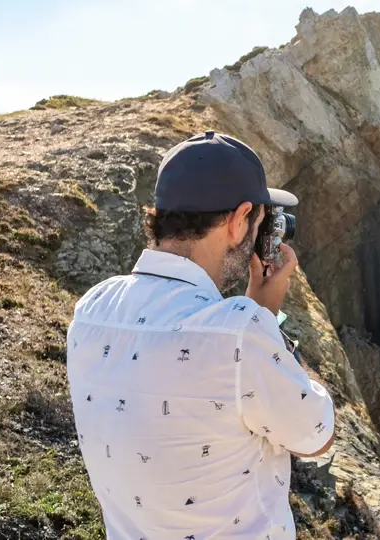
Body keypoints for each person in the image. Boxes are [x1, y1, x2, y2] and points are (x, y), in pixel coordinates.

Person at [66, 130, 335, 540]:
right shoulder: (239, 333)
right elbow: (316, 435)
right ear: (238, 218)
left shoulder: (91, 311)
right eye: (262, 220)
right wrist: (264, 317)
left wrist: (255, 316)